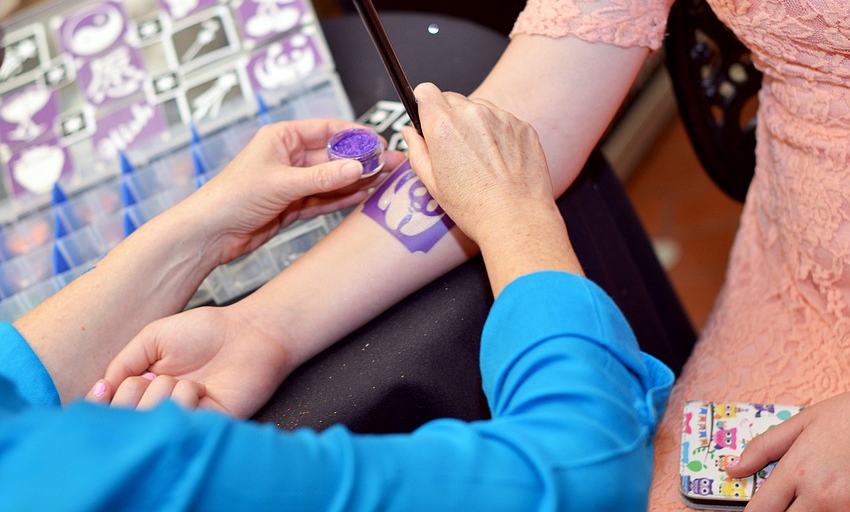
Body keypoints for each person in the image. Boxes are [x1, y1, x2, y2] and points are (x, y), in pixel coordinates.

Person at [0, 85, 671, 510]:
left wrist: (217, 251)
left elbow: (14, 379)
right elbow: (587, 472)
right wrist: (516, 220)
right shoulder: (137, 471)